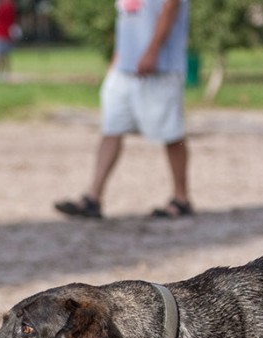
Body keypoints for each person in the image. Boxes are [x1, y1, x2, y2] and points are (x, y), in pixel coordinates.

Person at [54, 0, 193, 220]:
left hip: (160, 67)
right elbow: (127, 24)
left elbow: (171, 6)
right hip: (124, 68)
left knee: (171, 133)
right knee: (111, 128)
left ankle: (181, 198)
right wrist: (116, 60)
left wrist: (152, 51)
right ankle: (93, 198)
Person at [0, 0, 17, 82]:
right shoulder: (10, 5)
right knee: (6, 56)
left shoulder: (0, 5)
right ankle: (7, 75)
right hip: (7, 34)